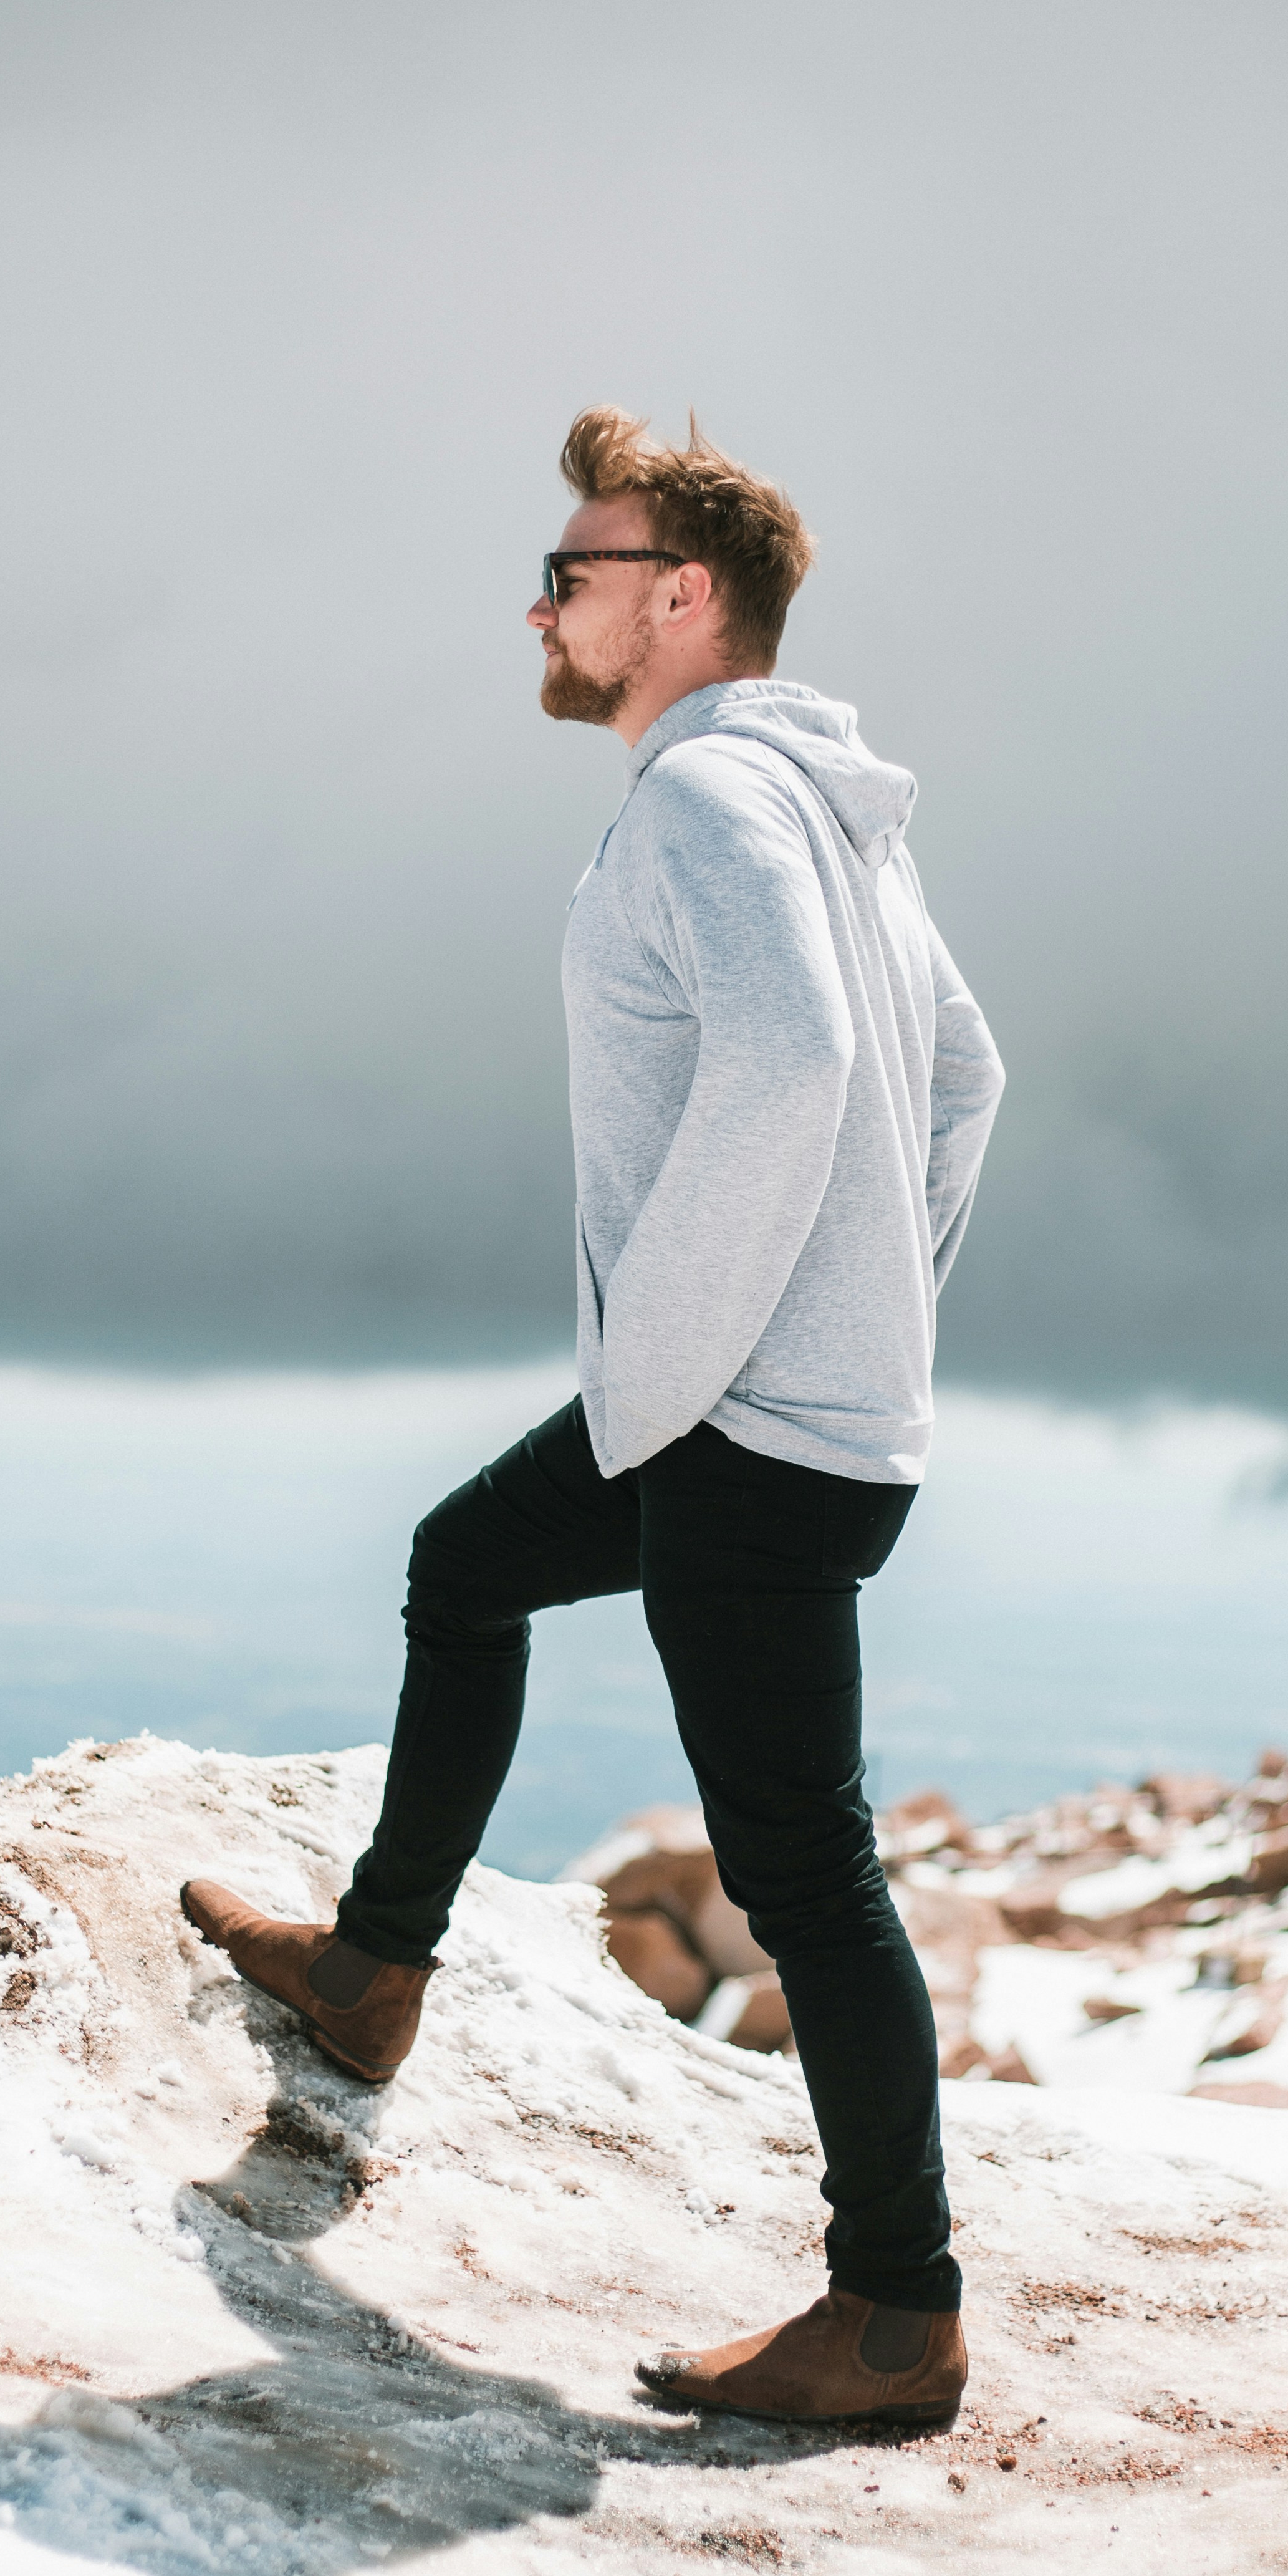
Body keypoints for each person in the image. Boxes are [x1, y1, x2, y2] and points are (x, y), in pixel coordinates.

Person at [185, 407, 1004, 2429]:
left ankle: (897, 2312)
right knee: (464, 1566)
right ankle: (375, 1976)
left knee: (801, 1871)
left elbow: (806, 1066)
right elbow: (966, 1081)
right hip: (775, 1407)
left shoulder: (719, 804)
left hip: (737, 1428)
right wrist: (861, 1319)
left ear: (683, 598)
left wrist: (676, 1365)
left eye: (575, 569)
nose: (542, 603)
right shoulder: (835, 816)